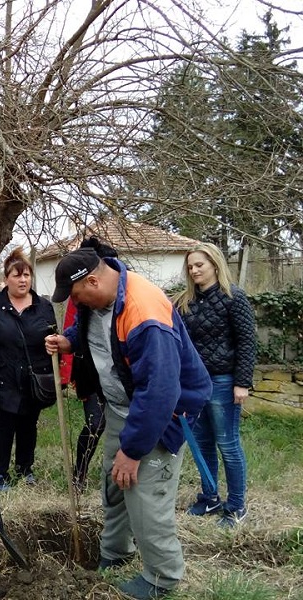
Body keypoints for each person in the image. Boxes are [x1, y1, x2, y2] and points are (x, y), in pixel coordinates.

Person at [45, 247, 211, 600]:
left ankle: (162, 577)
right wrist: (68, 340)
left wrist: (133, 451)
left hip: (161, 413)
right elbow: (90, 329)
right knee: (114, 483)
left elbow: (160, 391)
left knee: (145, 494)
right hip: (123, 408)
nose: (76, 303)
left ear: (92, 280)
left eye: (76, 296)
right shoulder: (101, 298)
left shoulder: (144, 312)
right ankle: (116, 552)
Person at [173, 242, 256, 527]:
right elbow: (180, 346)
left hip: (223, 381)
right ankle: (209, 498)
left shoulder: (234, 297)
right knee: (203, 443)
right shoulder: (183, 302)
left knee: (228, 444)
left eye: (200, 264)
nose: (194, 270)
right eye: (191, 266)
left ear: (215, 265)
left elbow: (246, 342)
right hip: (195, 385)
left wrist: (242, 383)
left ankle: (236, 506)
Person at [0, 247, 56, 491]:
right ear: (7, 279)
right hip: (1, 376)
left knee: (28, 425)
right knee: (4, 425)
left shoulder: (43, 307)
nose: (23, 280)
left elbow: (54, 339)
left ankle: (25, 470)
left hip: (32, 378)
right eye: (17, 275)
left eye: (26, 275)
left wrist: (54, 351)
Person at [60, 237, 119, 493]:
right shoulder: (83, 298)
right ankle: (79, 474)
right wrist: (66, 348)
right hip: (90, 373)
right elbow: (74, 329)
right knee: (95, 424)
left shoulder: (125, 302)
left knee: (118, 426)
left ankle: (117, 473)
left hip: (117, 378)